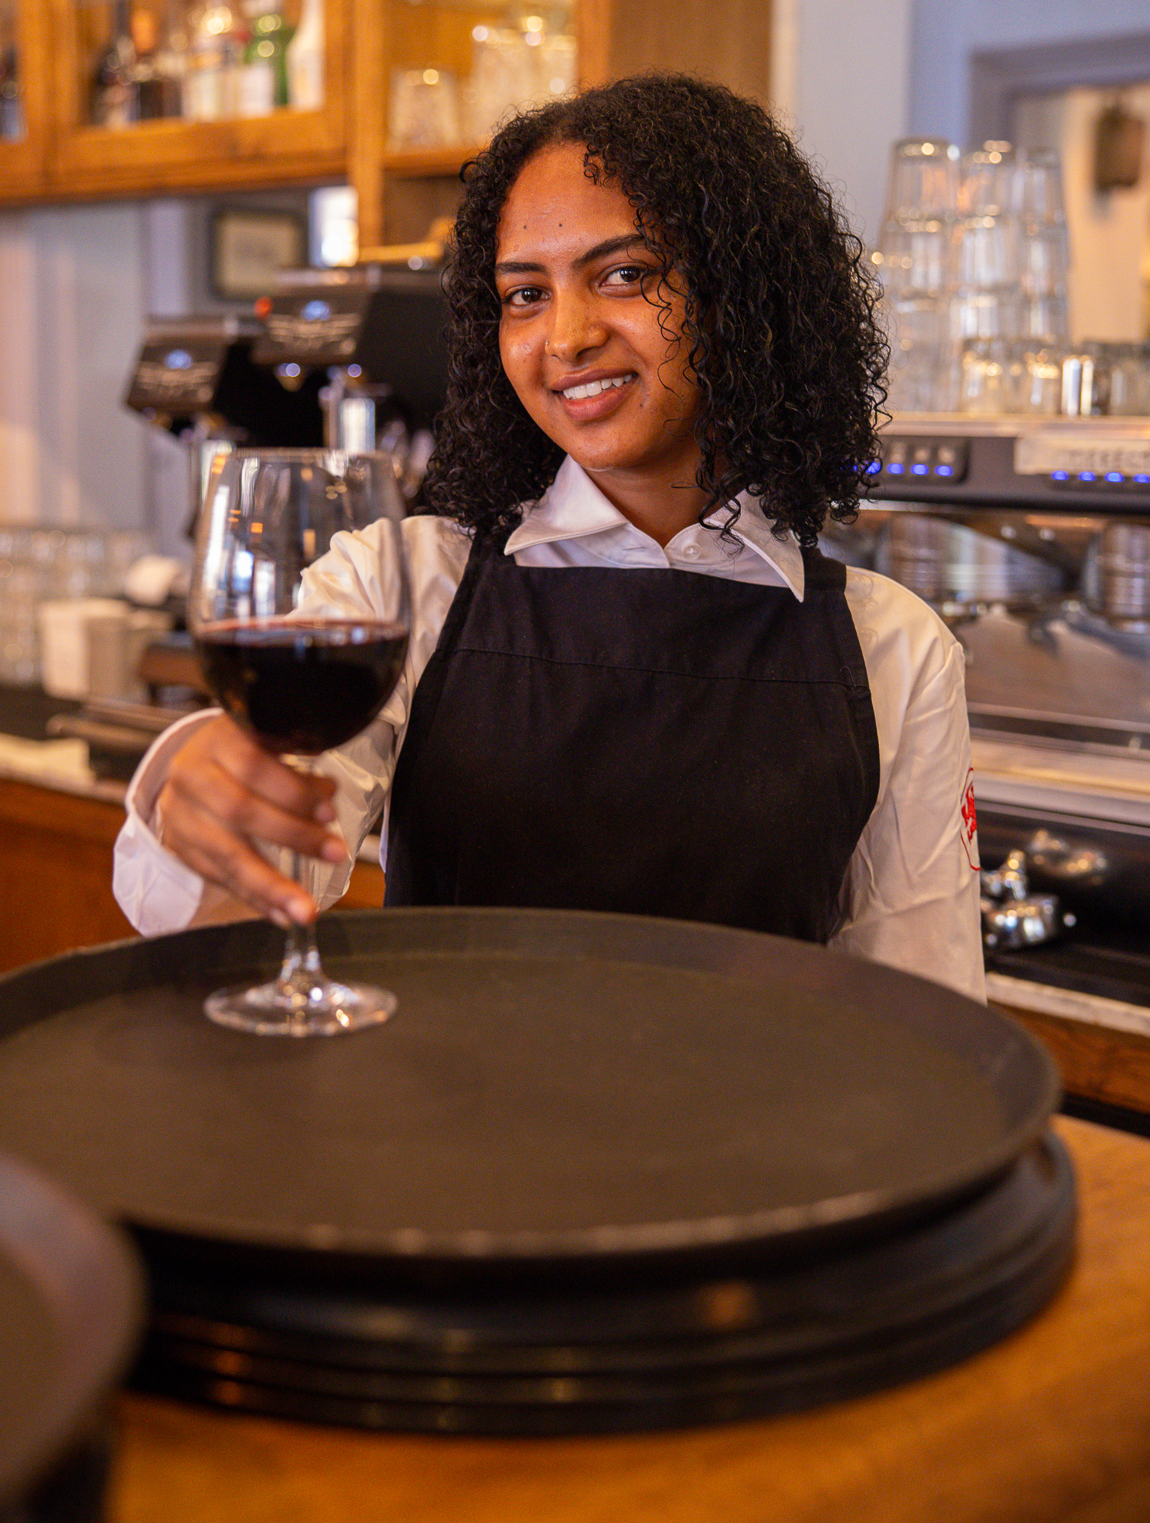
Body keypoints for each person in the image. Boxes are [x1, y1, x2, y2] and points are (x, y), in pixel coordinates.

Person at [114, 74, 984, 1000]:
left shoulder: (893, 648)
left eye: (625, 275)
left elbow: (922, 1016)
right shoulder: (403, 581)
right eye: (525, 294)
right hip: (454, 1098)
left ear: (746, 297)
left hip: (755, 1102)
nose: (565, 337)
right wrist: (199, 789)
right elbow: (239, 878)